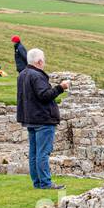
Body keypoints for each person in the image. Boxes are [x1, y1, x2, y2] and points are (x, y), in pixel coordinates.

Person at [16, 47, 69, 189]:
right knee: (43, 153)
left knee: (34, 153)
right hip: (42, 119)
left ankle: (37, 182)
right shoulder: (37, 75)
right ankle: (45, 183)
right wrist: (60, 88)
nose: (44, 63)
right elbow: (44, 95)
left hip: (30, 118)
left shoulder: (22, 74)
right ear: (39, 61)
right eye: (43, 61)